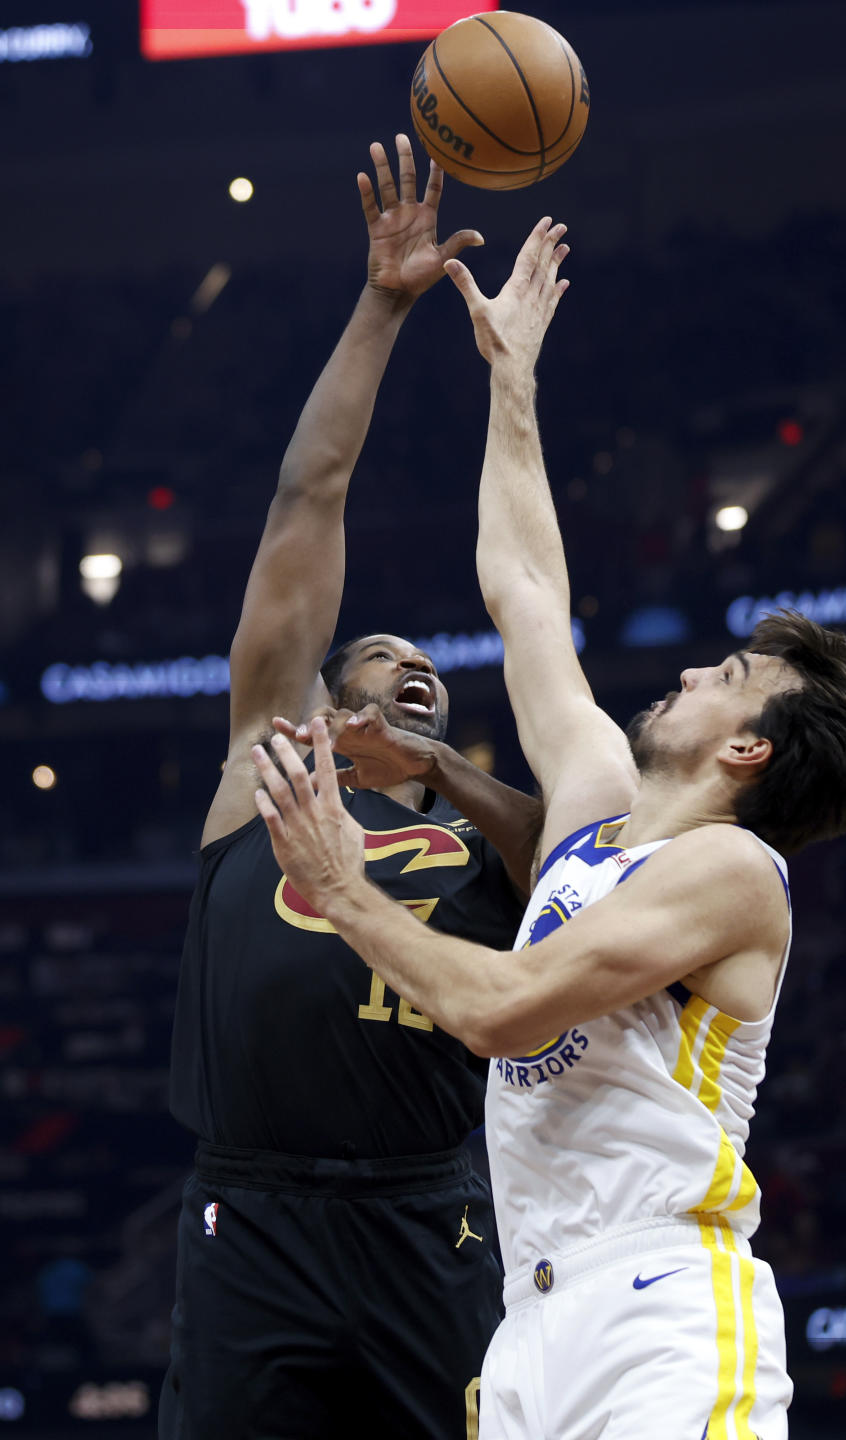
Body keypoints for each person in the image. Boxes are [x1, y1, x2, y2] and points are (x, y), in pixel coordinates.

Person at [252, 217, 846, 1440]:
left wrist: (345, 887)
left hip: (665, 1303)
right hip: (532, 1320)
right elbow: (528, 591)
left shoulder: (734, 872)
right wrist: (513, 379)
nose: (697, 672)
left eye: (726, 678)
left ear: (747, 751)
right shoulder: (597, 806)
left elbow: (508, 1009)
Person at [159, 138, 544, 1440]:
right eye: (386, 658)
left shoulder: (478, 825)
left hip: (427, 1211)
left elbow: (574, 858)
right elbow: (306, 498)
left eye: (435, 670)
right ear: (325, 696)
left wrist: (444, 771)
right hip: (255, 1215)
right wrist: (383, 309)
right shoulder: (263, 761)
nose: (416, 665)